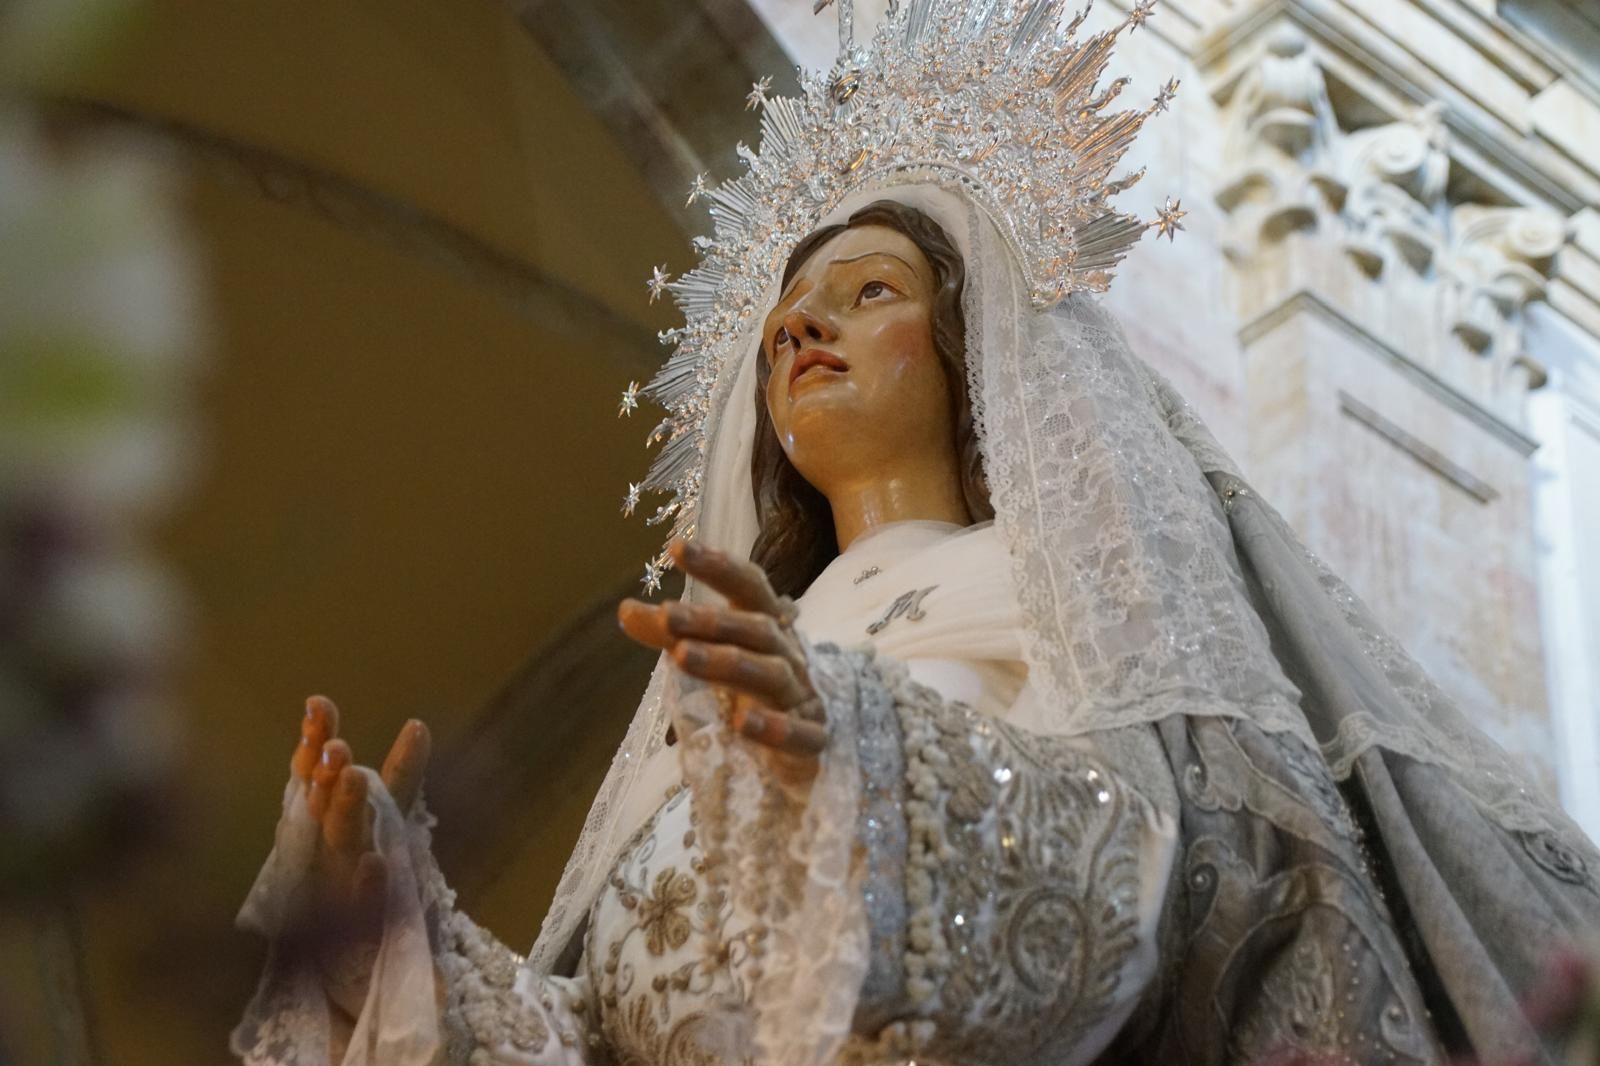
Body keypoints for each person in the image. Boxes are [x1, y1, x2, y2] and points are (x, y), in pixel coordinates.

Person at [232, 5, 1600, 1066]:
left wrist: (868, 751)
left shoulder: (1058, 587)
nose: (801, 326)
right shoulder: (724, 666)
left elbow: (1153, 880)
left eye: (867, 291)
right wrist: (401, 944)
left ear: (971, 344)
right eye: (784, 318)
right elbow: (608, 1029)